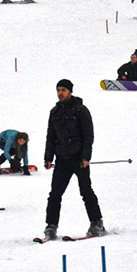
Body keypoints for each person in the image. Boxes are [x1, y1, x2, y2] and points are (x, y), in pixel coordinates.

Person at [41, 79, 105, 241]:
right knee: (55, 194)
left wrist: (85, 157)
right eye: (58, 90)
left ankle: (97, 223)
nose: (60, 93)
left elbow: (88, 135)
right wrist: (48, 157)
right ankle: (51, 226)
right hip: (62, 159)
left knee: (86, 192)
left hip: (78, 159)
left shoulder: (80, 110)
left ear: (70, 91)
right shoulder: (54, 112)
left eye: (63, 90)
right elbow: (50, 137)